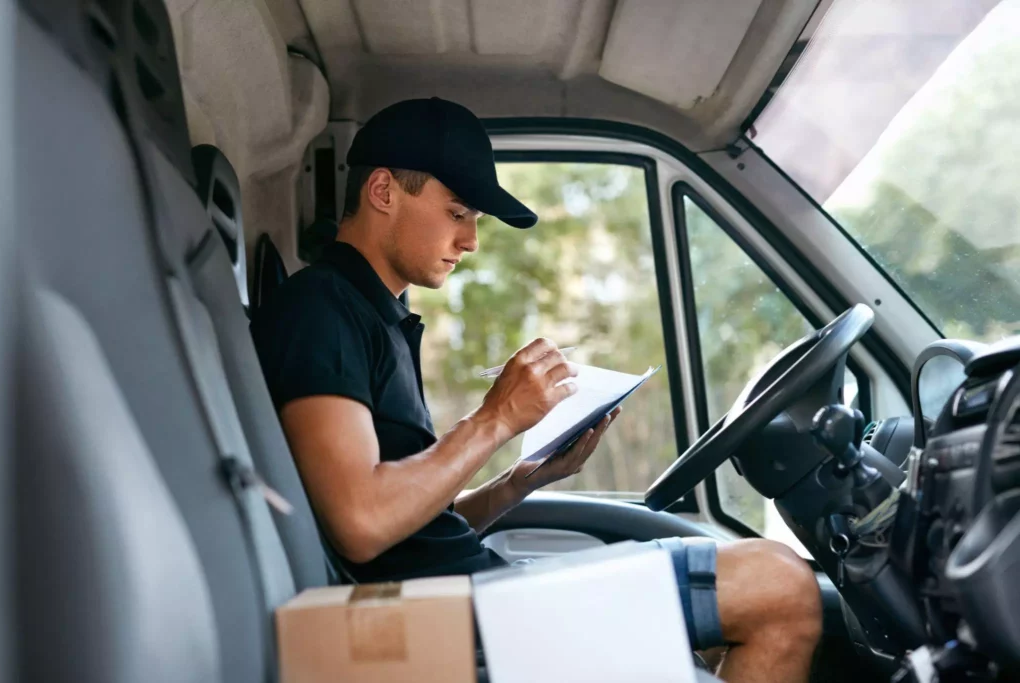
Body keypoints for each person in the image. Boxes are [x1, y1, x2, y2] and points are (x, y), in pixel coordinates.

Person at [251, 97, 822, 682]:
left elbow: (414, 533)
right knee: (778, 583)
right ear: (383, 191)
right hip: (442, 622)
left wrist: (519, 482)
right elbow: (361, 523)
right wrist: (496, 418)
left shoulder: (381, 318)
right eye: (457, 212)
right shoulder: (320, 308)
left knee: (735, 612)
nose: (471, 240)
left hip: (471, 600)